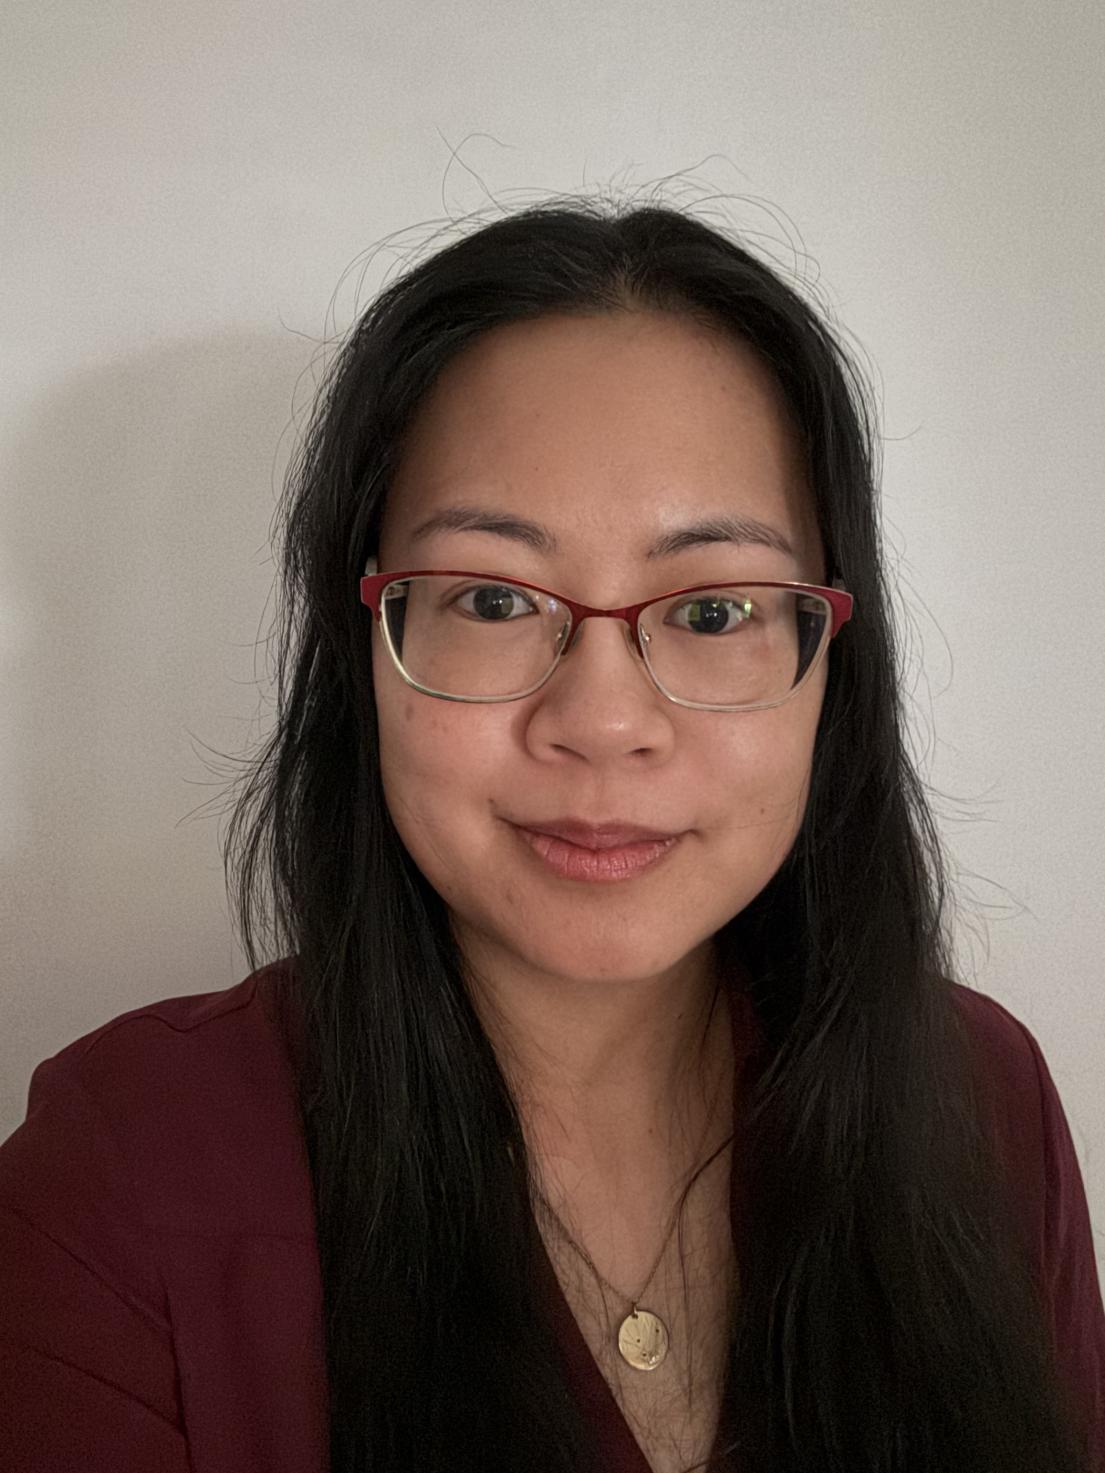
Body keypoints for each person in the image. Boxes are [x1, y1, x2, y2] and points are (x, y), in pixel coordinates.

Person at [1, 197, 1102, 1473]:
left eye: (713, 611)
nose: (601, 722)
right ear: (365, 648)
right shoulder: (122, 1171)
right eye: (489, 598)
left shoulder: (978, 1099)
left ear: (827, 664)